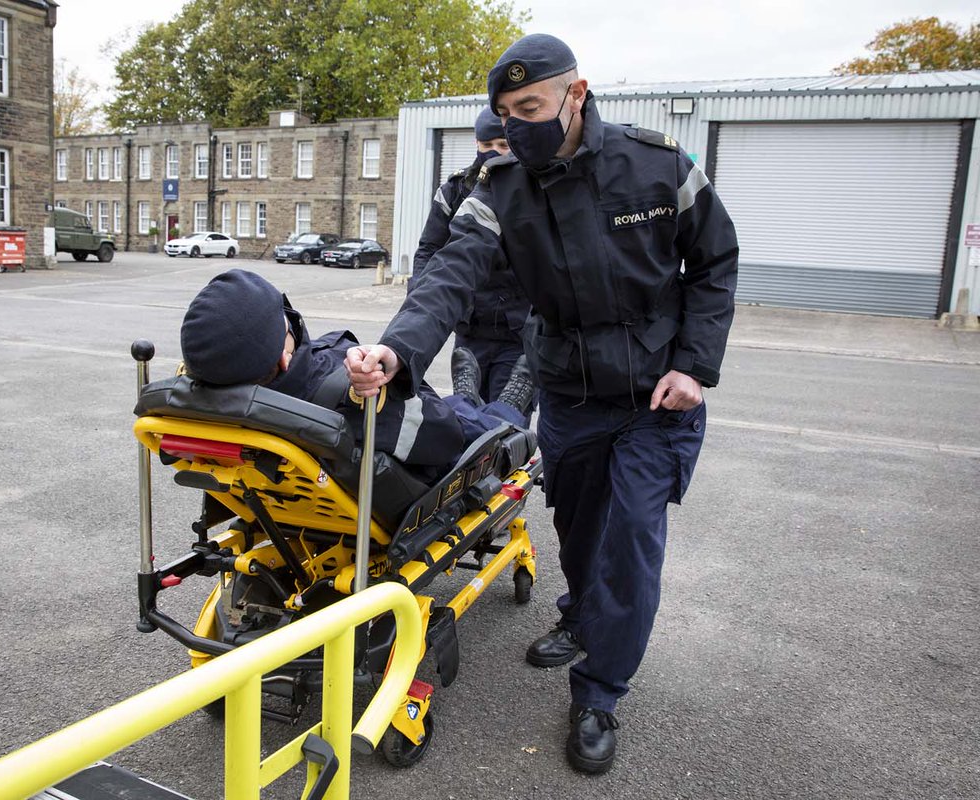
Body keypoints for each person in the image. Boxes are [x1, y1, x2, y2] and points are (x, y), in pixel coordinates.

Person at [345, 33, 738, 774]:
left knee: (629, 547)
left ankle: (598, 694)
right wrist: (395, 352)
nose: (518, 122)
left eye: (530, 105)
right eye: (505, 110)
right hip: (569, 395)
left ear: (576, 93)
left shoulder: (657, 167)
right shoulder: (500, 187)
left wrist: (694, 365)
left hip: (656, 399)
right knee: (581, 531)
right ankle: (583, 620)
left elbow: (715, 261)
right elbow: (449, 273)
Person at [179, 269, 535, 481]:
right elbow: (446, 437)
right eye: (285, 320)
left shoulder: (200, 406)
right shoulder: (347, 392)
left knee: (458, 405)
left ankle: (468, 396)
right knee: (479, 424)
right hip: (422, 461)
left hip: (295, 492)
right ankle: (509, 404)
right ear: (285, 358)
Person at [410, 108, 536, 426]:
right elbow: (429, 250)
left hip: (518, 332)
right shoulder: (453, 191)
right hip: (470, 328)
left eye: (505, 146)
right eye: (488, 145)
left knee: (508, 423)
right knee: (466, 418)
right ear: (476, 142)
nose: (496, 153)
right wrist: (418, 304)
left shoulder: (536, 190)